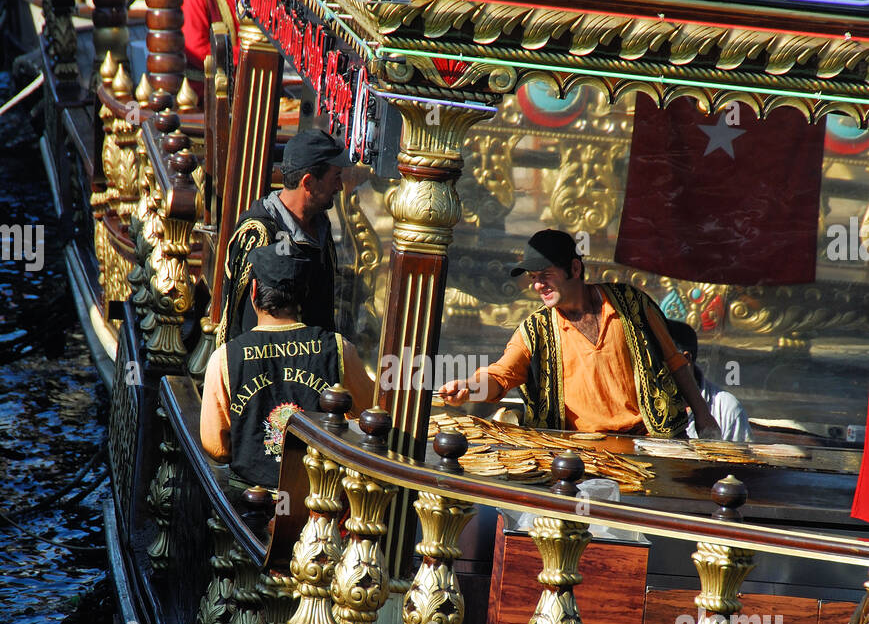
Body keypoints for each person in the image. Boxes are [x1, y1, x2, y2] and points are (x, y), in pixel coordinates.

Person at [439, 229, 720, 437]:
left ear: (574, 268)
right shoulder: (534, 331)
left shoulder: (632, 304)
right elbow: (501, 375)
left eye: (545, 275)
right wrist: (469, 388)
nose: (538, 286)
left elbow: (674, 361)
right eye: (533, 278)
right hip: (579, 456)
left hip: (649, 442)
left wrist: (704, 416)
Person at [201, 244, 372, 492]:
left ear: (254, 290)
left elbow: (216, 447)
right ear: (302, 294)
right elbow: (368, 417)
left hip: (248, 507)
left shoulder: (225, 358)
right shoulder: (339, 349)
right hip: (319, 503)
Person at [217, 128, 349, 345]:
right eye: (335, 178)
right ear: (308, 183)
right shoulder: (258, 234)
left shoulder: (321, 226)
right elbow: (236, 323)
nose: (340, 186)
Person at [665, 318, 752, 443]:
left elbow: (740, 460)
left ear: (686, 360)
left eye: (661, 360)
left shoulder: (726, 408)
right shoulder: (638, 404)